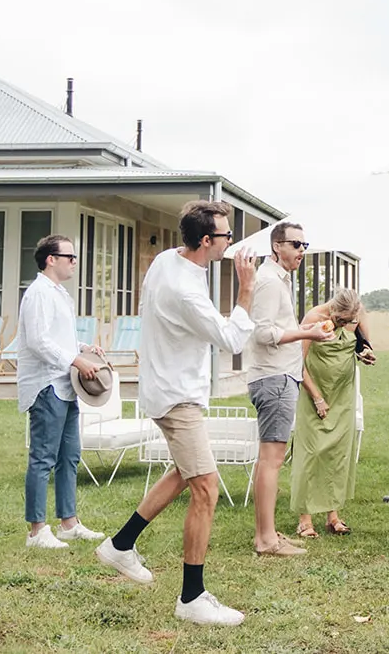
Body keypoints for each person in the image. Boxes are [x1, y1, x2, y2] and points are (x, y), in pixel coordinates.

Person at [95, 200, 289, 627]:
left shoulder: (168, 259)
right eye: (225, 236)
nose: (231, 242)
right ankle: (191, 597)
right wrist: (245, 290)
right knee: (206, 488)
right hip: (176, 396)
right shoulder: (184, 289)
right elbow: (231, 340)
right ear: (205, 240)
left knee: (186, 473)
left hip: (167, 386)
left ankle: (121, 545)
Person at [245, 220, 333, 558]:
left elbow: (275, 328)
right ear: (277, 246)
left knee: (270, 459)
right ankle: (266, 540)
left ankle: (267, 534)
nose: (301, 251)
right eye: (296, 245)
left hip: (279, 377)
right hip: (274, 378)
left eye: (304, 245)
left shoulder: (279, 279)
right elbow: (263, 333)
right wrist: (308, 333)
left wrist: (304, 330)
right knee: (271, 460)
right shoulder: (269, 281)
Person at [16, 234, 107, 549]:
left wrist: (83, 348)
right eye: (70, 257)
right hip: (46, 386)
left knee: (69, 456)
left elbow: (59, 337)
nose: (75, 262)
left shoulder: (59, 293)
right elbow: (38, 341)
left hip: (66, 385)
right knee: (43, 457)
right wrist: (76, 361)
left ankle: (69, 524)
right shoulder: (38, 293)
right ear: (50, 259)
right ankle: (36, 531)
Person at [292, 287, 374, 540]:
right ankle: (304, 519)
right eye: (340, 320)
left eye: (349, 321)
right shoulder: (314, 318)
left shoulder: (355, 317)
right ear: (333, 309)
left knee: (338, 453)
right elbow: (297, 362)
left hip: (342, 395)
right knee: (311, 453)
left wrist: (366, 353)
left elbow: (362, 345)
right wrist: (317, 397)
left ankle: (333, 516)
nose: (344, 324)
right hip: (315, 394)